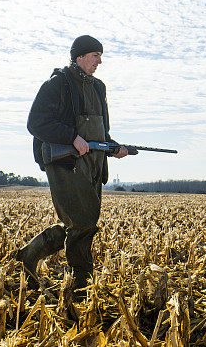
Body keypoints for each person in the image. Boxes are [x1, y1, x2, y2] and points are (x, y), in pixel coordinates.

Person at [18, 35, 128, 294]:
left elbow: (100, 132)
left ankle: (29, 255)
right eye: (95, 55)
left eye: (100, 56)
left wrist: (113, 148)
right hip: (66, 162)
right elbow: (36, 123)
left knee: (80, 221)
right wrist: (71, 138)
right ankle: (81, 282)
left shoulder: (98, 88)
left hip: (93, 163)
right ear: (79, 56)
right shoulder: (58, 84)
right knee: (84, 221)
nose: (100, 61)